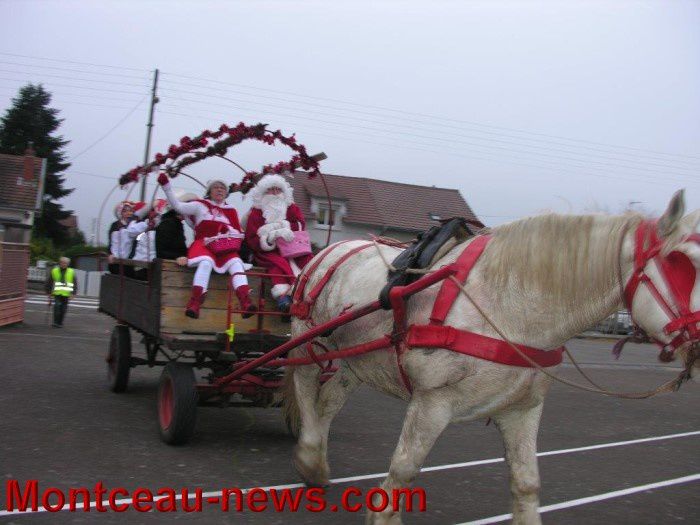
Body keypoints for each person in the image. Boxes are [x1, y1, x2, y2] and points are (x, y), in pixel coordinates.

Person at [158, 172, 256, 319]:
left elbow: (237, 231)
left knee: (236, 263)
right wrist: (166, 187)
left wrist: (228, 231)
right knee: (206, 262)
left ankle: (245, 302)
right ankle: (195, 303)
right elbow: (178, 206)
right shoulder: (200, 206)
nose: (219, 190)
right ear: (209, 191)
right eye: (216, 187)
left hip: (223, 246)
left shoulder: (231, 210)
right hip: (204, 244)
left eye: (222, 188)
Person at [244, 174, 313, 312]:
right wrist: (271, 237)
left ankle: (312, 293)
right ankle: (284, 296)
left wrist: (284, 227)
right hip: (268, 252)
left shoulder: (291, 207)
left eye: (278, 189)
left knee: (309, 263)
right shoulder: (256, 213)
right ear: (263, 193)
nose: (275, 193)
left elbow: (300, 224)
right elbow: (252, 239)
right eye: (271, 189)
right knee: (277, 265)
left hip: (293, 248)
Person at [108, 200, 149, 277]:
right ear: (120, 213)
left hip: (129, 262)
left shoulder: (134, 225)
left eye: (130, 211)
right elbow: (112, 243)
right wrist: (110, 254)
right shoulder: (115, 225)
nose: (128, 213)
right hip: (117, 262)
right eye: (125, 211)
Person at [44, 256, 78, 328]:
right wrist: (48, 292)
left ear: (68, 264)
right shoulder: (54, 271)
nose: (63, 264)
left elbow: (75, 283)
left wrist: (73, 293)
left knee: (63, 309)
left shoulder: (71, 272)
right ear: (60, 263)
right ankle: (55, 322)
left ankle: (60, 322)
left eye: (65, 263)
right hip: (57, 293)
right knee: (57, 306)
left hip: (66, 294)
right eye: (62, 262)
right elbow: (49, 282)